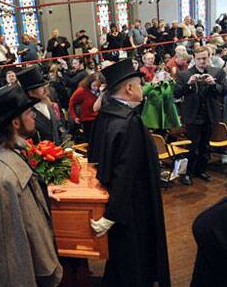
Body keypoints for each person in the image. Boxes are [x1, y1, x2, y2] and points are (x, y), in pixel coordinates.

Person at [88, 59, 170, 287]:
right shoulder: (129, 122)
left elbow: (95, 159)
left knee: (121, 260)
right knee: (135, 264)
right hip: (132, 207)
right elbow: (125, 172)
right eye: (139, 84)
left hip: (114, 200)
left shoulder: (106, 116)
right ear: (129, 88)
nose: (142, 89)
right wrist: (111, 216)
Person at [0, 84, 64, 287]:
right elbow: (10, 257)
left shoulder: (5, 153)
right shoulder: (6, 177)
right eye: (28, 112)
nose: (33, 115)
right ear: (15, 123)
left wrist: (38, 194)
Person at [174, 46, 227, 185]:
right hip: (192, 115)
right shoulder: (184, 74)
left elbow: (223, 91)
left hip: (210, 115)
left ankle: (201, 170)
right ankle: (187, 173)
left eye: (205, 58)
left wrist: (213, 84)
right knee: (192, 146)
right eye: (199, 59)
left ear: (209, 56)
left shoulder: (217, 72)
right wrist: (189, 83)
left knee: (205, 146)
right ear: (194, 59)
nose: (202, 61)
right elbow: (176, 93)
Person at [17, 65, 66, 145]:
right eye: (40, 87)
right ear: (31, 92)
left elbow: (58, 127)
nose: (45, 88)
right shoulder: (27, 113)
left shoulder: (48, 104)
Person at [68, 74, 102, 143]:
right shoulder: (82, 90)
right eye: (94, 86)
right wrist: (74, 117)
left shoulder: (100, 91)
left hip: (99, 119)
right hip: (87, 121)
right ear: (89, 83)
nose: (96, 88)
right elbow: (71, 102)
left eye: (98, 86)